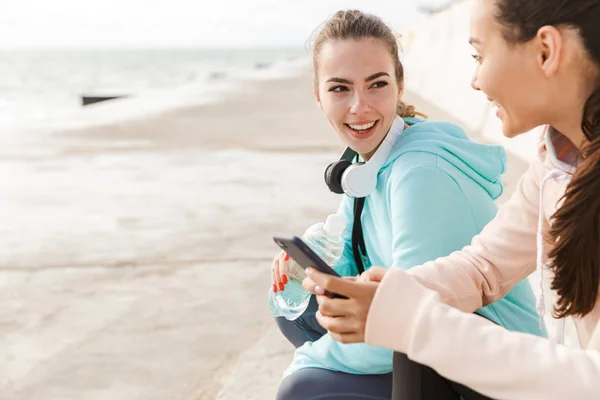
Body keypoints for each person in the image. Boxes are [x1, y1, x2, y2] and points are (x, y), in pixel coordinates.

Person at [302, 1, 600, 399]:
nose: (475, 81)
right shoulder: (555, 163)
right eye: (339, 87)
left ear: (545, 51)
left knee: (411, 340)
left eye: (480, 56)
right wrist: (393, 293)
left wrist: (413, 320)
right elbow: (485, 266)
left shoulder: (421, 167)